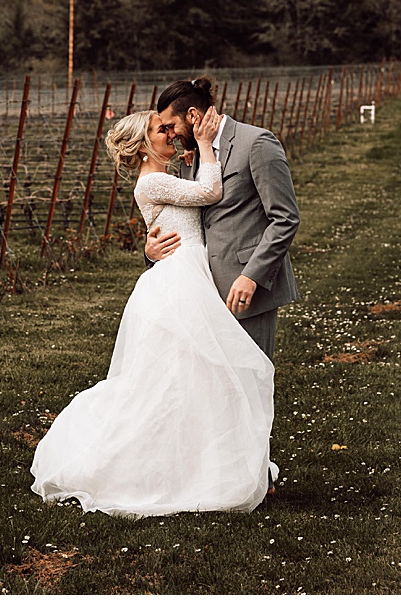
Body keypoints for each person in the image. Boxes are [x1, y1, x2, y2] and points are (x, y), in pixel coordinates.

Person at [30, 107, 277, 518]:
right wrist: (203, 145)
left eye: (168, 127)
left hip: (193, 274)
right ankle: (167, 470)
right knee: (176, 378)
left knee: (199, 377)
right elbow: (209, 193)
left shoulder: (167, 176)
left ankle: (206, 463)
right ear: (143, 146)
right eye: (160, 130)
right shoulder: (153, 182)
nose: (170, 133)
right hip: (179, 283)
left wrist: (193, 159)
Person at [145, 77, 300, 362]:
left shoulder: (256, 143)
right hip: (203, 290)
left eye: (171, 126)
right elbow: (188, 221)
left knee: (251, 376)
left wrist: (252, 276)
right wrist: (151, 254)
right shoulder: (189, 159)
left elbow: (285, 219)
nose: (170, 135)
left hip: (247, 289)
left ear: (192, 116)